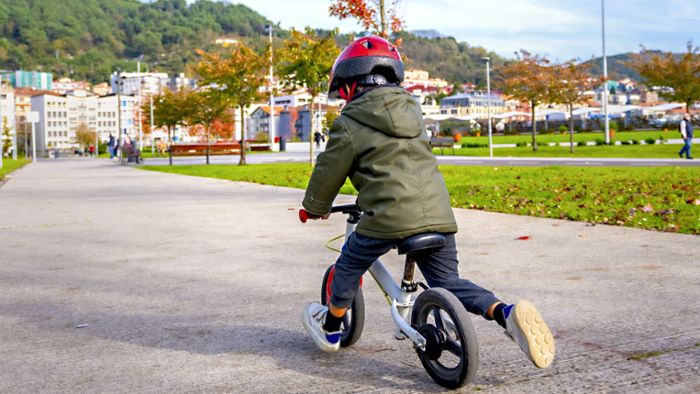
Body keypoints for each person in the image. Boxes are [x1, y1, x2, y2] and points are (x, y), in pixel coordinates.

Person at [300, 36, 555, 369]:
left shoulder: (348, 123)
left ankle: (332, 328)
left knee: (348, 264)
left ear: (349, 85)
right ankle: (503, 312)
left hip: (388, 219)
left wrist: (315, 208)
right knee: (449, 283)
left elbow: (328, 172)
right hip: (438, 213)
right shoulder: (413, 112)